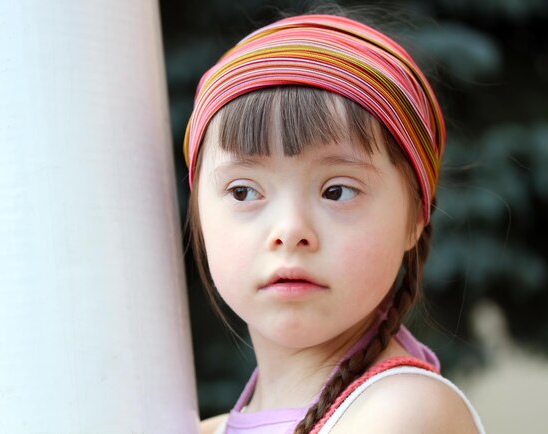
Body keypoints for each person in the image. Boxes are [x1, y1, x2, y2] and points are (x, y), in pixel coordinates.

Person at [183, 11, 486, 434]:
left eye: (337, 191)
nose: (289, 230)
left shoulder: (405, 412)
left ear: (416, 216)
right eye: (243, 192)